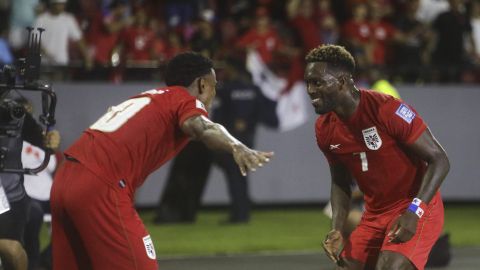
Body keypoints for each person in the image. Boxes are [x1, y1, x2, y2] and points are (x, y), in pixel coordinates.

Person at [50, 52, 274, 270]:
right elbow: (202, 127)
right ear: (203, 85)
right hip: (99, 186)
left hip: (64, 180)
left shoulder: (147, 97)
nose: (215, 93)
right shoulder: (184, 99)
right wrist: (236, 144)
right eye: (214, 86)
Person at [304, 44, 449, 270]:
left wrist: (415, 211)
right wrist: (337, 228)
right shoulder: (324, 128)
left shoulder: (386, 110)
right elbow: (340, 182)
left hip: (414, 206)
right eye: (308, 83)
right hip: (375, 214)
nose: (310, 90)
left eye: (318, 82)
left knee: (389, 267)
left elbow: (439, 159)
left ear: (342, 82)